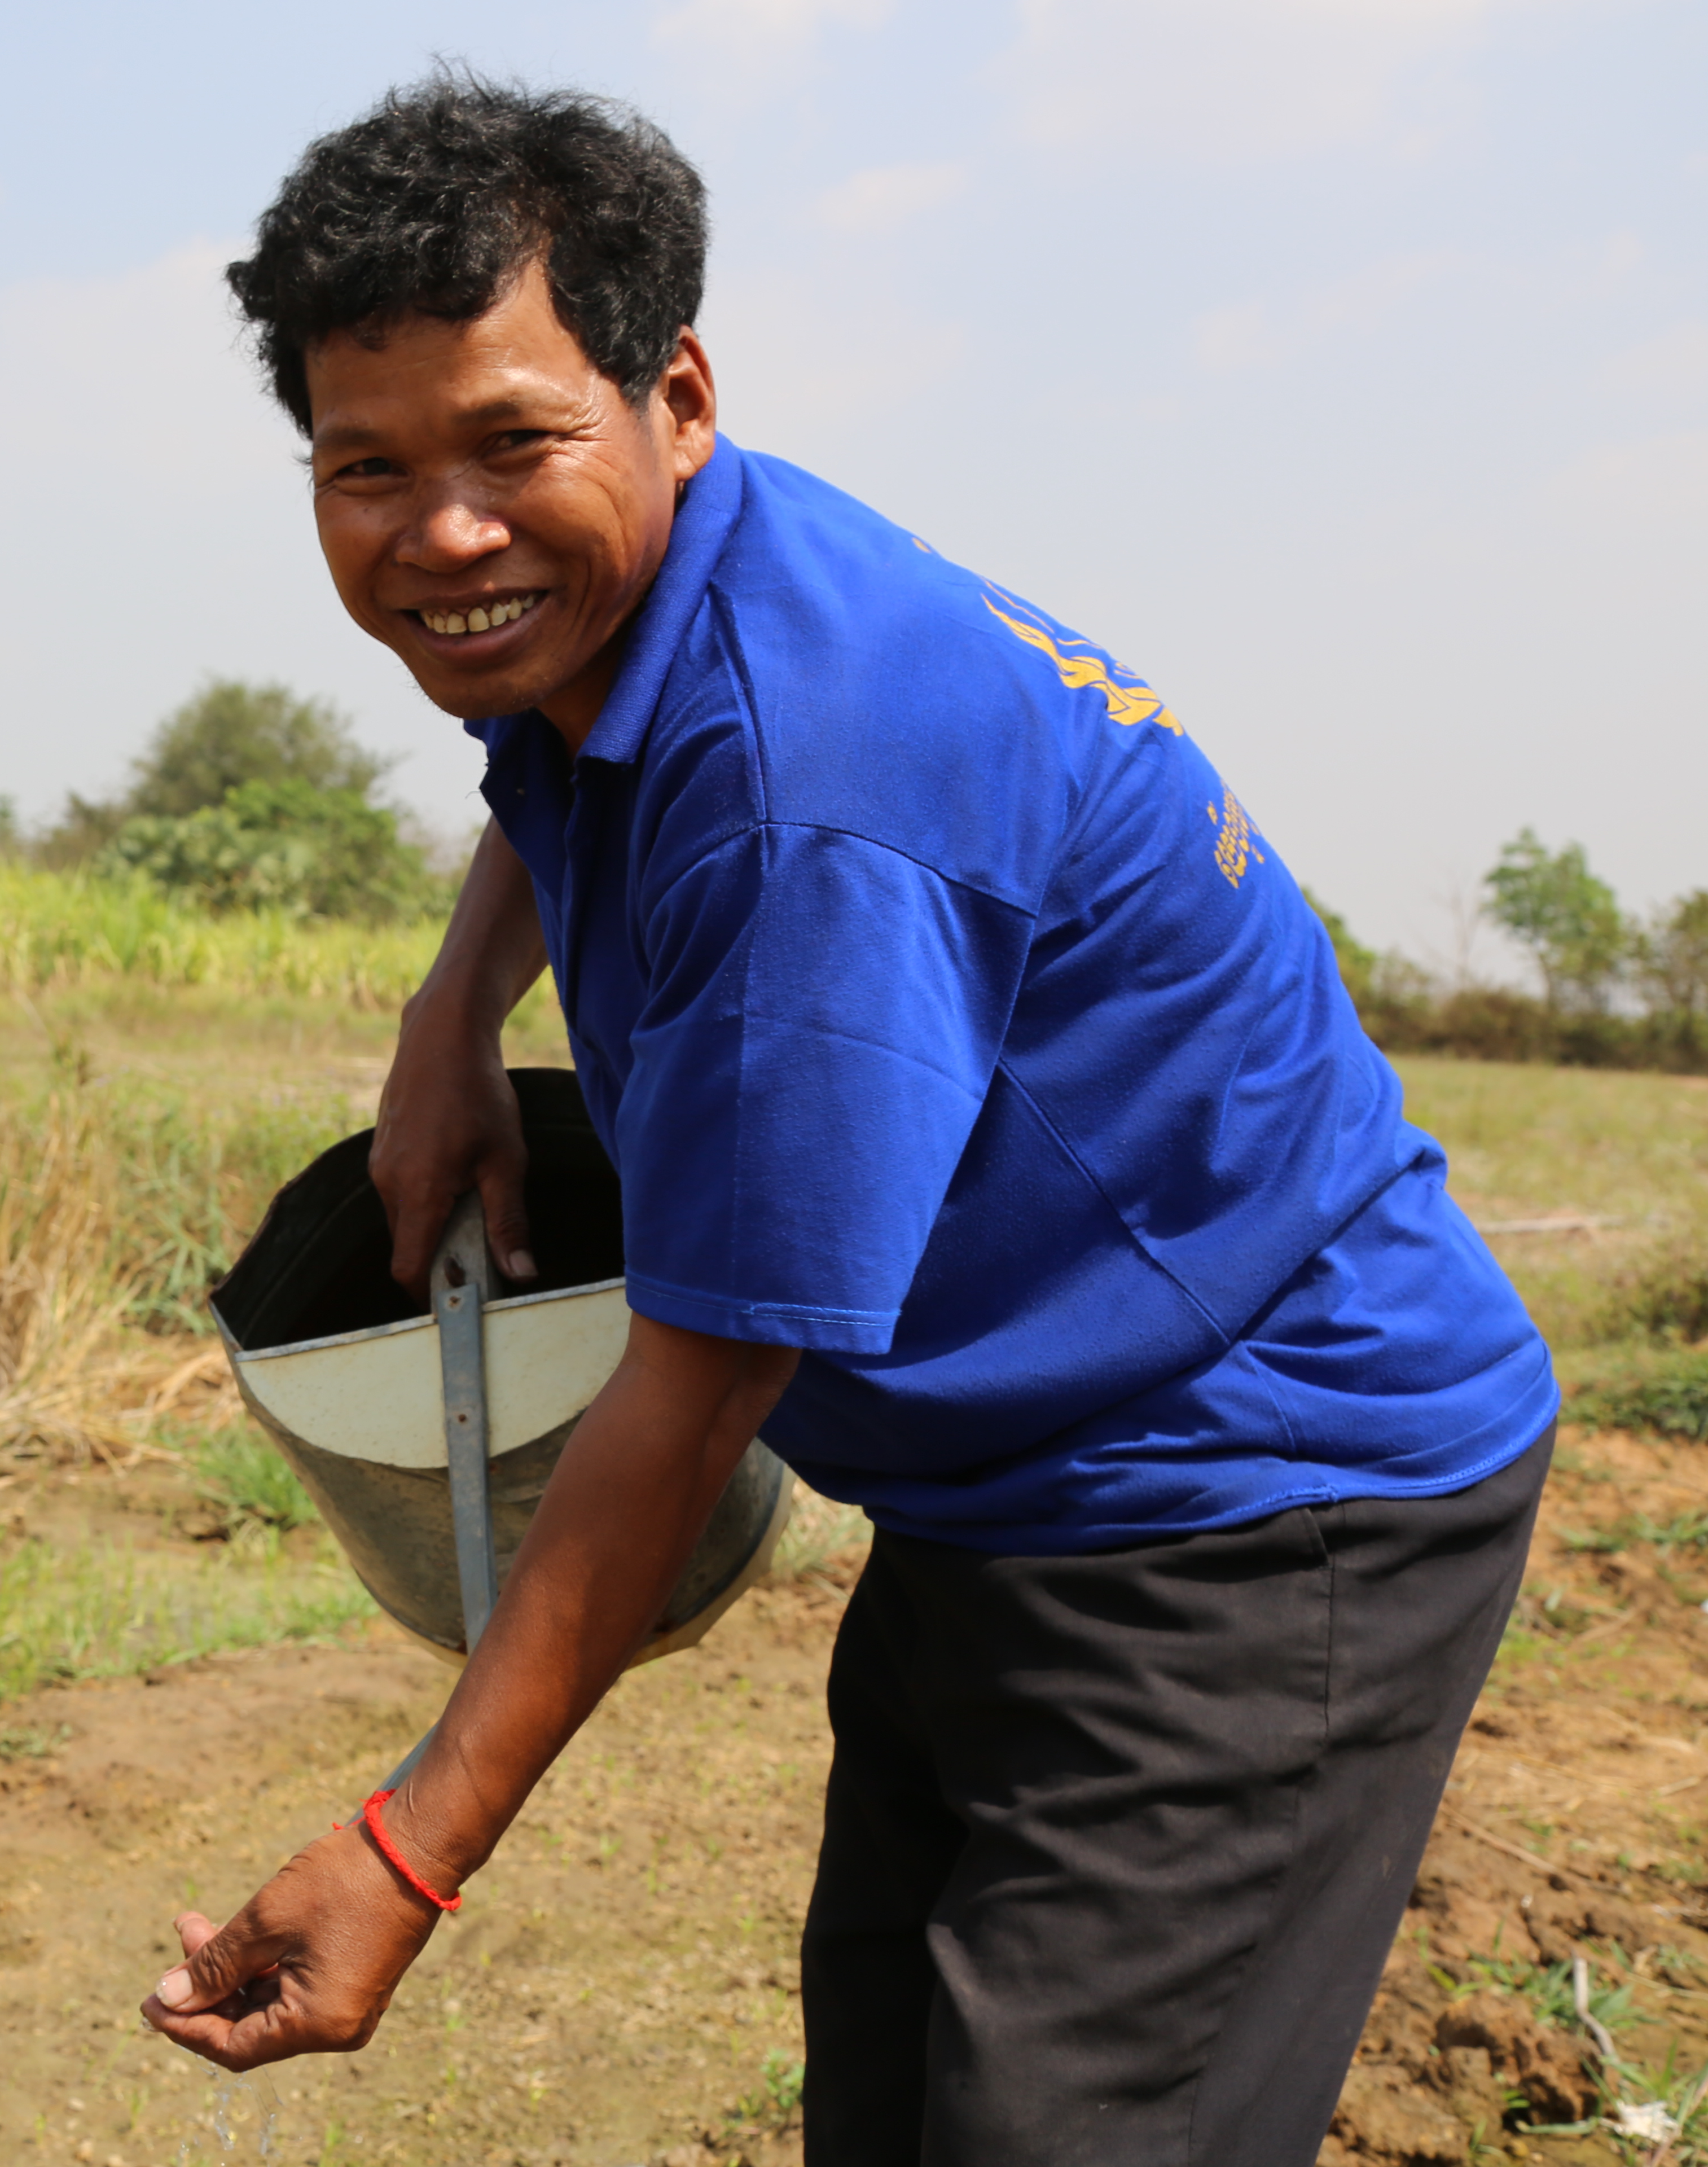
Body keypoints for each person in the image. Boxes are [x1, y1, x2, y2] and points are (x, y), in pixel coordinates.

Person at [140, 74, 1556, 2166]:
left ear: (673, 394)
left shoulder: (823, 780)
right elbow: (556, 747)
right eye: (369, 466)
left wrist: (410, 1848)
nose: (443, 532)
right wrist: (454, 1015)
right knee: (898, 2111)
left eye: (513, 443)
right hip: (1013, 1486)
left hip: (1252, 1508)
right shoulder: (647, 597)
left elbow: (697, 1392)